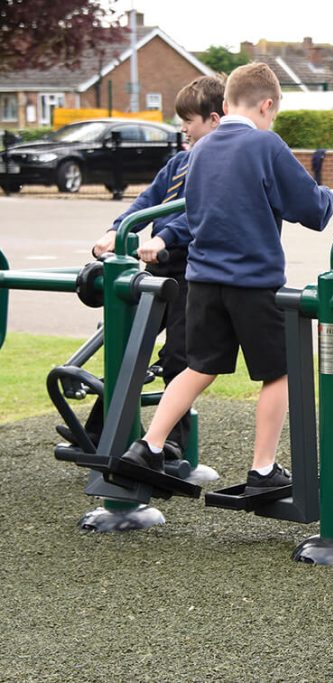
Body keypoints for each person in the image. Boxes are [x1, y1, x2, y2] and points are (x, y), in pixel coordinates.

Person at [119, 62, 333, 492]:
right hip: (252, 281)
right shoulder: (266, 144)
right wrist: (331, 195)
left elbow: (194, 210)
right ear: (267, 105)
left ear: (224, 103)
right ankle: (263, 469)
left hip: (203, 280)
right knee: (281, 372)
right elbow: (310, 209)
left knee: (200, 367)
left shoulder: (200, 149)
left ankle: (148, 445)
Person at [76, 75, 225, 455]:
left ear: (214, 120)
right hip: (159, 269)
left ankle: (174, 444)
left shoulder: (220, 167)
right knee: (128, 347)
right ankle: (99, 431)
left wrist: (164, 238)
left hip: (192, 271)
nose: (183, 128)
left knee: (178, 356)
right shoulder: (179, 162)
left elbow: (198, 212)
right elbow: (149, 200)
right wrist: (118, 230)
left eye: (188, 121)